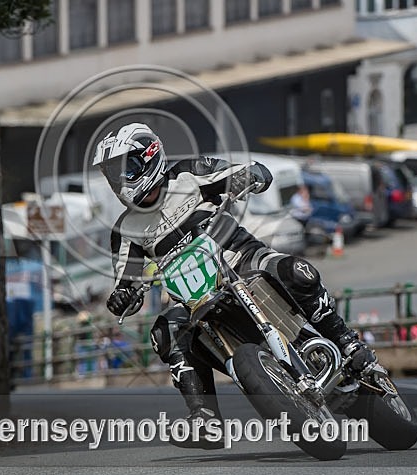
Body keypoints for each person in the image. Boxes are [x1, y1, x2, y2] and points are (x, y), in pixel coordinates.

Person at [93, 122, 377, 448]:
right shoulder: (126, 228)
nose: (118, 180)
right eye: (112, 173)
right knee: (164, 332)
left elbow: (236, 172)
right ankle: (204, 418)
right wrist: (122, 296)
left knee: (296, 271)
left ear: (148, 155)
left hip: (242, 258)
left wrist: (250, 174)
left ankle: (347, 342)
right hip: (193, 296)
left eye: (124, 167)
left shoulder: (189, 173)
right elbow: (125, 280)